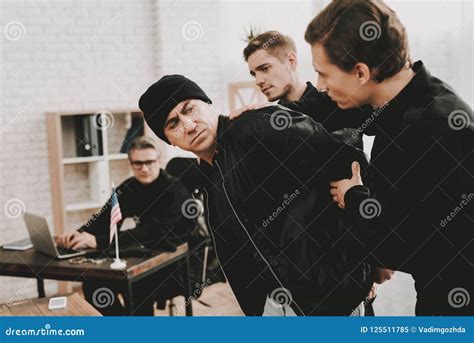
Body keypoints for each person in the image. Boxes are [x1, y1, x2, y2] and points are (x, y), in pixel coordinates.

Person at [139, 74, 374, 316]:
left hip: (331, 297)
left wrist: (370, 263)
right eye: (173, 124)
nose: (188, 126)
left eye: (189, 109)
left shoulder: (257, 128)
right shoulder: (210, 176)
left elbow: (345, 158)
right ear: (170, 141)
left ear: (207, 103)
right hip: (275, 306)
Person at [302, 0, 473, 315]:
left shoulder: (435, 127)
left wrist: (354, 197)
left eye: (323, 74)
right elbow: (331, 111)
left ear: (361, 72)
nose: (322, 86)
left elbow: (420, 244)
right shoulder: (402, 97)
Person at [56, 136, 196, 315]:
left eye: (149, 162)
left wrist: (97, 241)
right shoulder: (130, 187)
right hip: (142, 253)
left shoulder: (175, 190)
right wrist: (78, 234)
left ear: (158, 161)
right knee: (94, 282)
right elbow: (104, 219)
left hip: (175, 263)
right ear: (130, 163)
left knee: (137, 283)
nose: (144, 168)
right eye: (137, 163)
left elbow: (152, 232)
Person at [243, 30, 363, 149]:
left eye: (264, 69)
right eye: (254, 74)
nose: (258, 81)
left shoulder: (338, 104)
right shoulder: (268, 123)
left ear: (291, 61)